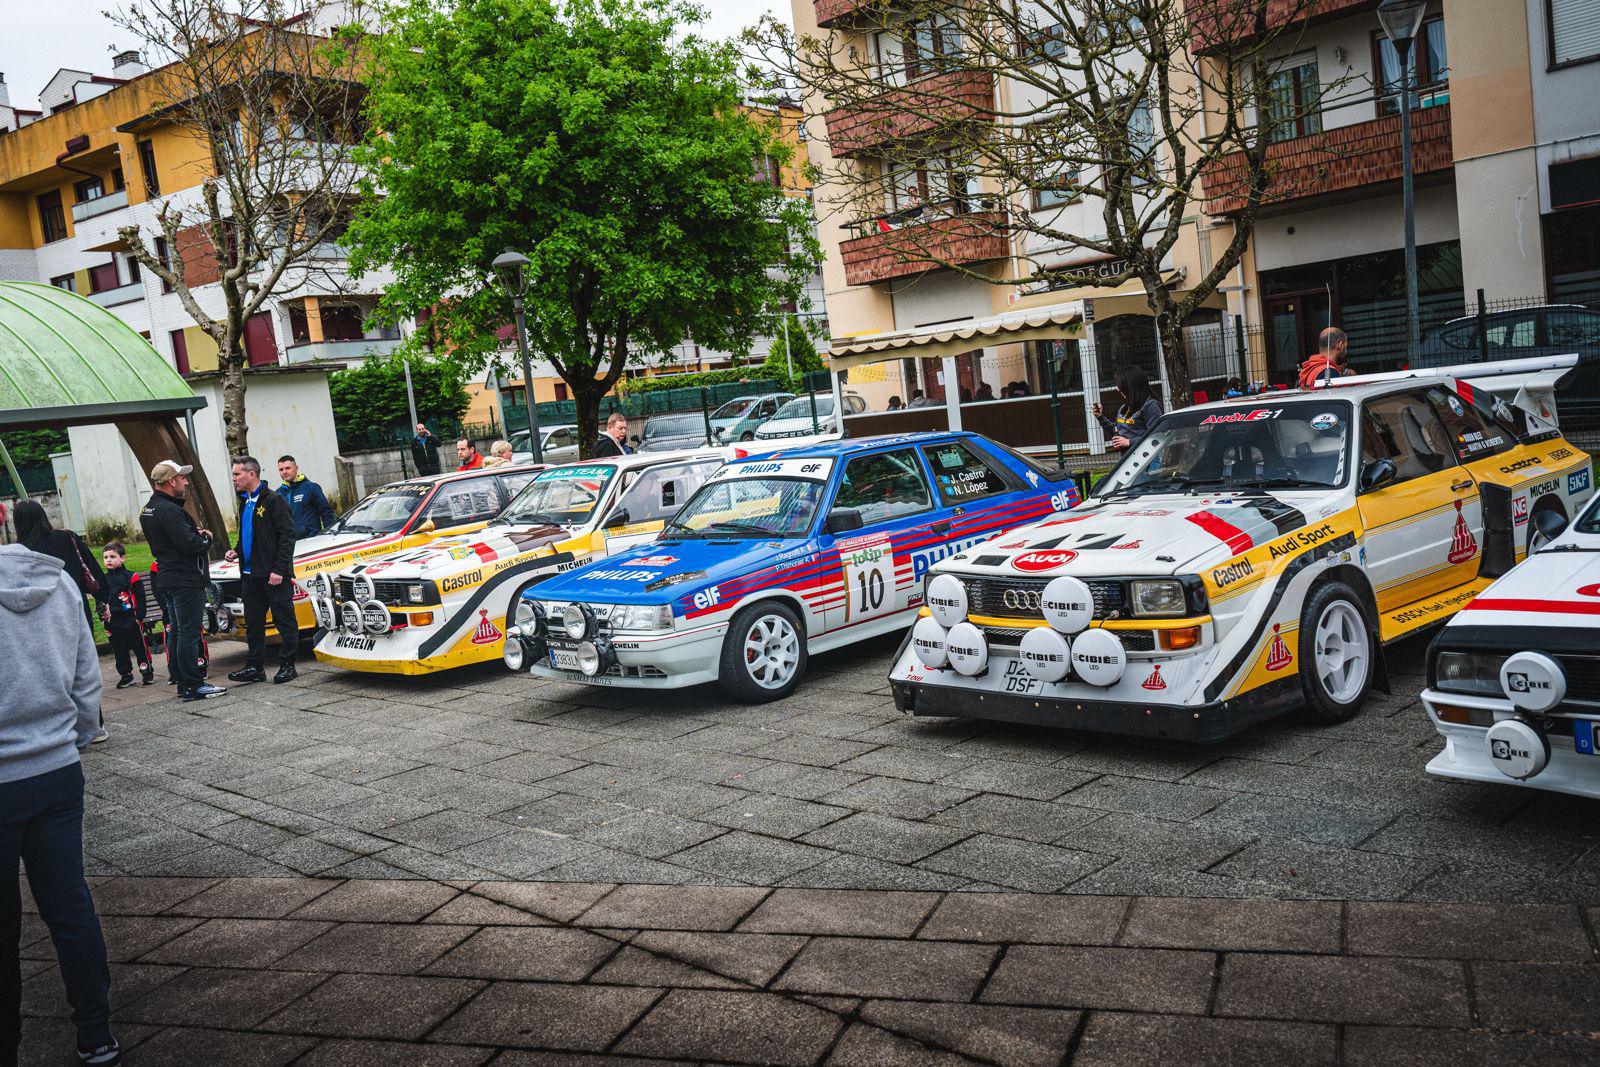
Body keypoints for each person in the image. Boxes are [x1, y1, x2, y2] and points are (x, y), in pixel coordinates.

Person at [0, 539, 121, 1067]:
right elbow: (86, 676)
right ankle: (96, 1034)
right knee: (70, 906)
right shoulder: (61, 581)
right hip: (56, 770)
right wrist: (75, 738)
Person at [139, 461, 225, 702]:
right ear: (171, 481)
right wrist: (206, 538)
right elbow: (190, 545)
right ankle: (193, 684)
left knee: (177, 631)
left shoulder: (148, 509)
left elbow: (171, 539)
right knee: (189, 632)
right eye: (182, 478)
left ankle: (182, 682)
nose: (186, 482)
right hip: (185, 579)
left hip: (167, 576)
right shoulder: (170, 510)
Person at [224, 457, 299, 685]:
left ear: (251, 474)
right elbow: (248, 533)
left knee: (283, 620)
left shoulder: (274, 500)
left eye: (237, 474)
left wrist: (279, 569)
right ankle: (254, 667)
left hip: (273, 575)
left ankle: (288, 665)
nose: (234, 478)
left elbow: (287, 536)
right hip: (250, 574)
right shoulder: (245, 501)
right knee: (254, 622)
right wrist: (237, 551)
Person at [12, 501, 103, 634]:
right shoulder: (68, 537)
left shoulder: (21, 551)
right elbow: (93, 568)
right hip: (76, 606)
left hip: (44, 615)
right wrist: (102, 597)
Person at [99, 543, 153, 690]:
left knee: (139, 647)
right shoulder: (102, 580)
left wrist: (139, 617)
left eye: (112, 556)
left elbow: (141, 598)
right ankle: (126, 675)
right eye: (105, 557)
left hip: (130, 618)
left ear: (122, 558)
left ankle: (146, 672)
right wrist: (102, 615)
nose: (108, 560)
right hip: (112, 621)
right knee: (119, 649)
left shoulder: (131, 577)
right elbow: (100, 599)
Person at [1094, 366, 1164, 452]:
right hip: (1128, 458)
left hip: (1146, 458)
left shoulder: (1151, 406)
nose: (1118, 389)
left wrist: (1129, 442)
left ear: (1130, 386)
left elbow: (1156, 435)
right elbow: (1117, 431)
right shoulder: (1124, 407)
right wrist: (1100, 417)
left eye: (1120, 385)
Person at [275, 456, 335, 539]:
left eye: (288, 468)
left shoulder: (311, 488)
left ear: (296, 468)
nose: (284, 472)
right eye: (281, 469)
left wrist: (328, 535)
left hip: (312, 540)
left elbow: (326, 513)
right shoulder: (278, 494)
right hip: (290, 543)